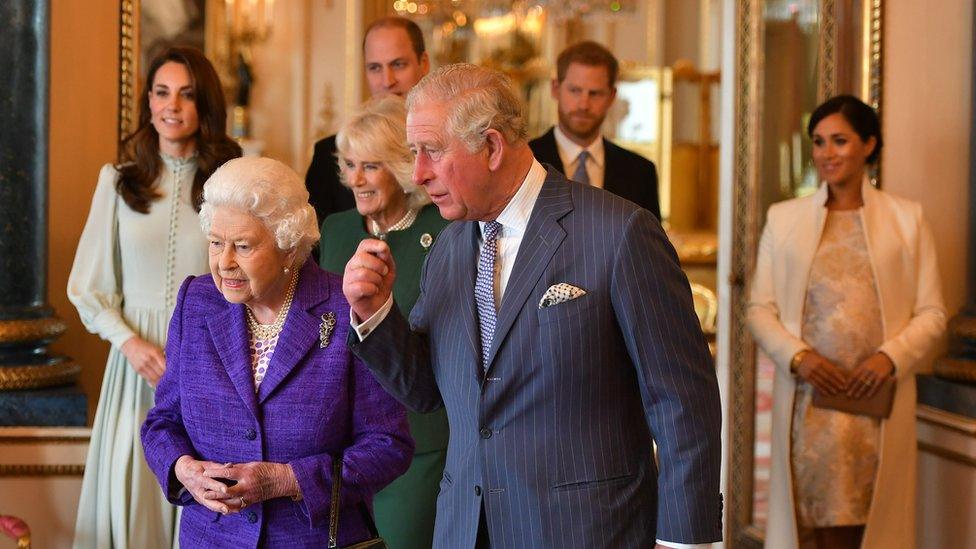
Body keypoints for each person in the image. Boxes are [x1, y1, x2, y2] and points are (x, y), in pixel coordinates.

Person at [343, 64, 722, 548]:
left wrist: (684, 541)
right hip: (464, 531)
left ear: (493, 146)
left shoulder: (620, 233)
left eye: (432, 152)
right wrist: (375, 314)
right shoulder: (449, 246)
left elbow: (683, 402)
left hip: (587, 532)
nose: (418, 174)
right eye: (415, 154)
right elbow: (427, 391)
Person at [140, 157, 414, 548]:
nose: (224, 262)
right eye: (216, 243)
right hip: (212, 539)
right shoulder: (197, 301)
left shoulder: (345, 306)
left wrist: (289, 480)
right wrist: (183, 469)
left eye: (243, 246)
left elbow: (389, 445)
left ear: (288, 247)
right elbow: (162, 422)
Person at [748, 95, 947, 549]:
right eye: (819, 142)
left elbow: (933, 312)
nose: (827, 153)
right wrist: (799, 358)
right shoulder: (785, 218)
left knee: (870, 524)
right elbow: (760, 309)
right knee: (812, 524)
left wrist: (889, 358)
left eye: (840, 140)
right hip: (808, 403)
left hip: (876, 401)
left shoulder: (906, 219)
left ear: (869, 145)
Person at [68, 45, 242, 549]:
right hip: (134, 366)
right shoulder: (120, 181)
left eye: (187, 95)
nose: (172, 105)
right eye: (162, 92)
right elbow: (89, 284)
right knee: (134, 492)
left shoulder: (229, 181)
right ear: (147, 102)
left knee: (202, 491)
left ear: (204, 104)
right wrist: (130, 344)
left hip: (212, 365)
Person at [319, 95, 449, 549]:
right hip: (340, 447)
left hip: (420, 442)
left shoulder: (446, 231)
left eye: (371, 166)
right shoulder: (334, 231)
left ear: (401, 165)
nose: (355, 179)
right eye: (350, 164)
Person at [305, 16, 430, 226]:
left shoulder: (446, 149)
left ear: (423, 63)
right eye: (374, 68)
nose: (387, 81)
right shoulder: (328, 155)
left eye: (398, 65)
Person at [529, 41, 660, 219]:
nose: (584, 105)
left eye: (595, 93)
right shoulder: (527, 160)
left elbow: (648, 244)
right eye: (575, 90)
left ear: (612, 96)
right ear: (555, 89)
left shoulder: (640, 172)